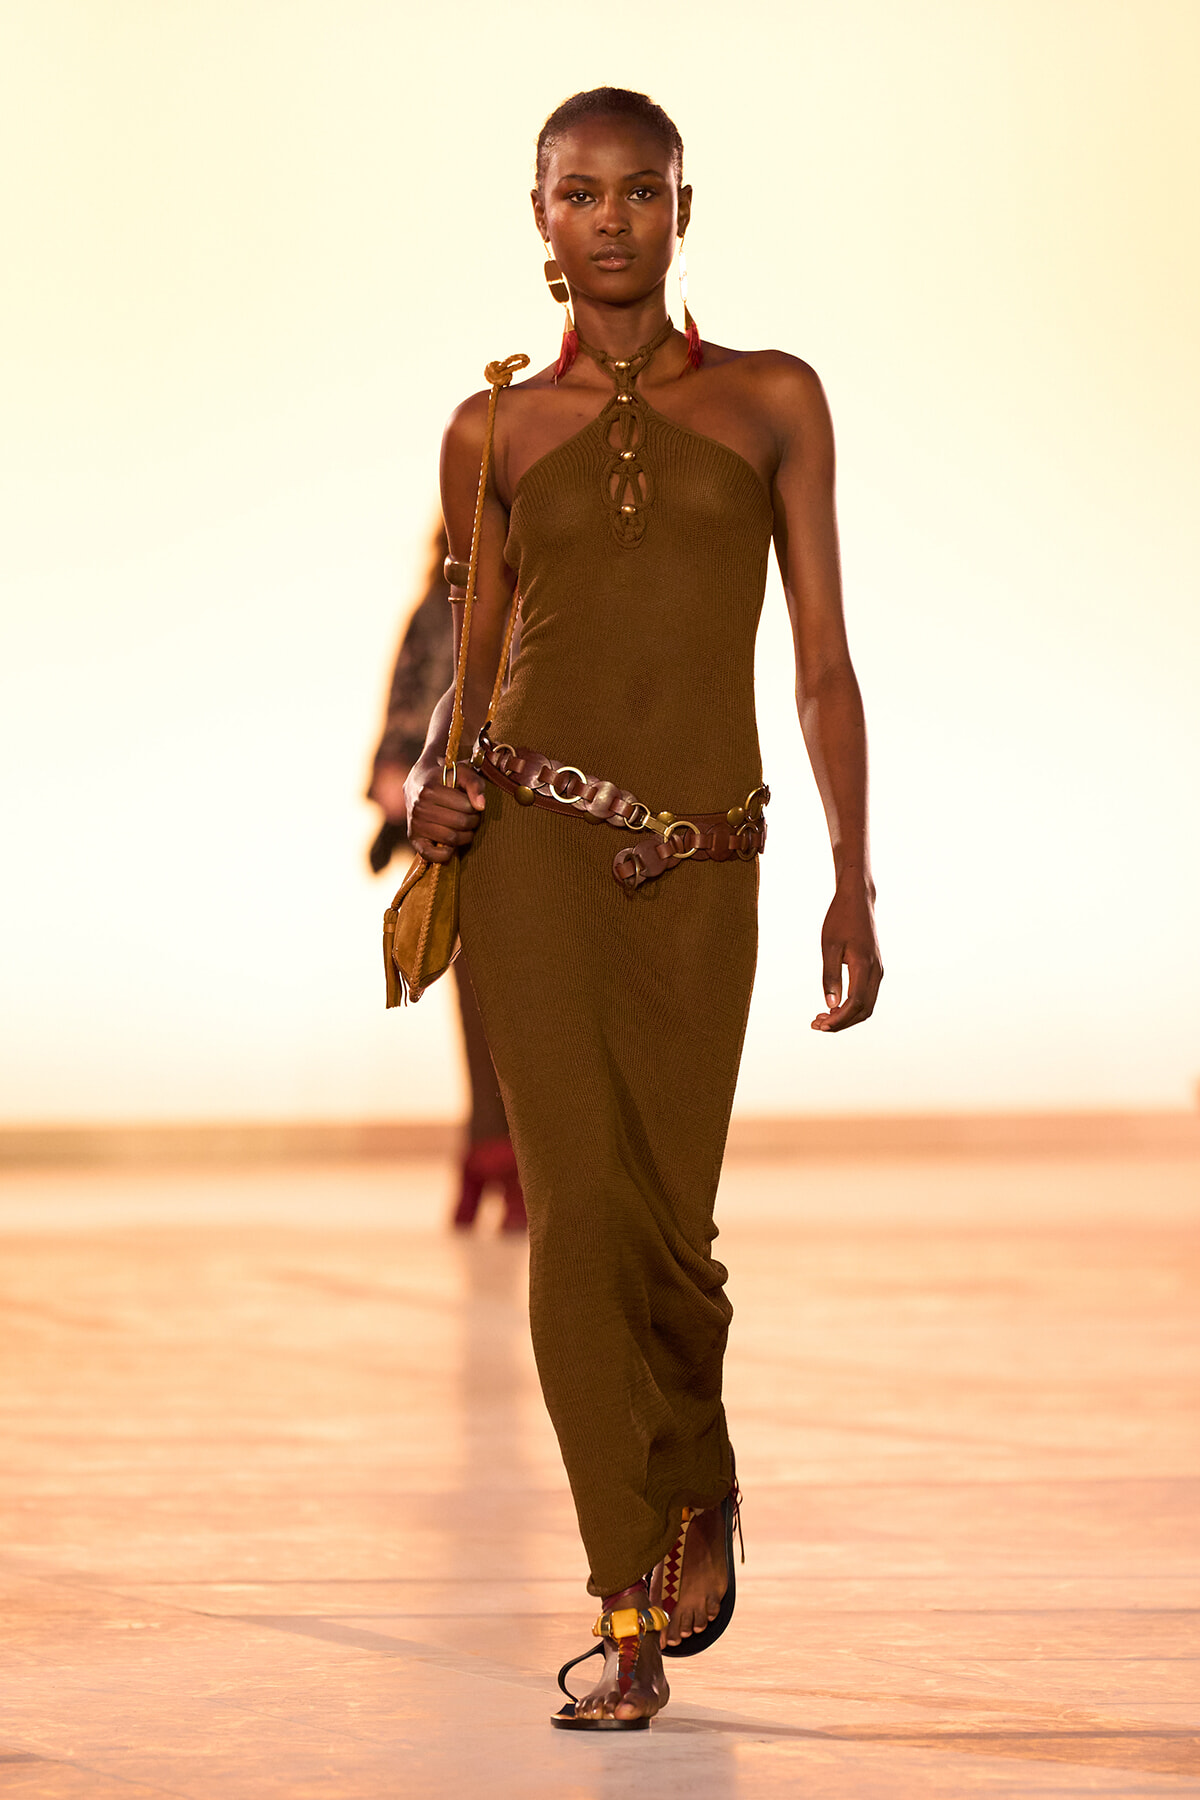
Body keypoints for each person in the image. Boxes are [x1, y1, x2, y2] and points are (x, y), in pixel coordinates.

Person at [404, 86, 882, 1727]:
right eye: (578, 193)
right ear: (537, 216)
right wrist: (428, 794)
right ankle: (620, 1610)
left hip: (708, 870)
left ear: (686, 208)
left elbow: (821, 661)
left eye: (641, 191)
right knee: (582, 1229)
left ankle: (698, 1477)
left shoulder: (773, 404)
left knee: (674, 1236)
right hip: (533, 859)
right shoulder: (489, 436)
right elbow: (470, 691)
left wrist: (854, 876)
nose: (610, 217)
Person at [368, 526, 526, 1231]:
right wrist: (407, 805)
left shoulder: (541, 601)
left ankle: (489, 1156)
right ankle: (500, 1157)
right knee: (485, 995)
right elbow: (405, 716)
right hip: (458, 820)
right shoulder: (439, 607)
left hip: (521, 812)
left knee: (500, 1000)